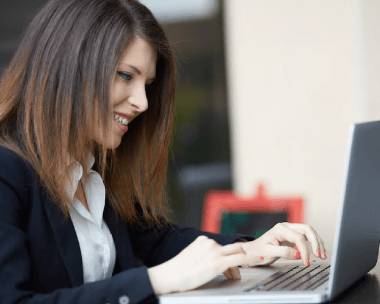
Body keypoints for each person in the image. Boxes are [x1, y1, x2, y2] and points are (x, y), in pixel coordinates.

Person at [0, 0, 327, 303]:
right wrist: (155, 281)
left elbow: (157, 241)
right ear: (69, 67)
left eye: (147, 84)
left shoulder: (93, 167)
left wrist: (250, 248)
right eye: (126, 76)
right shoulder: (6, 171)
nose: (142, 102)